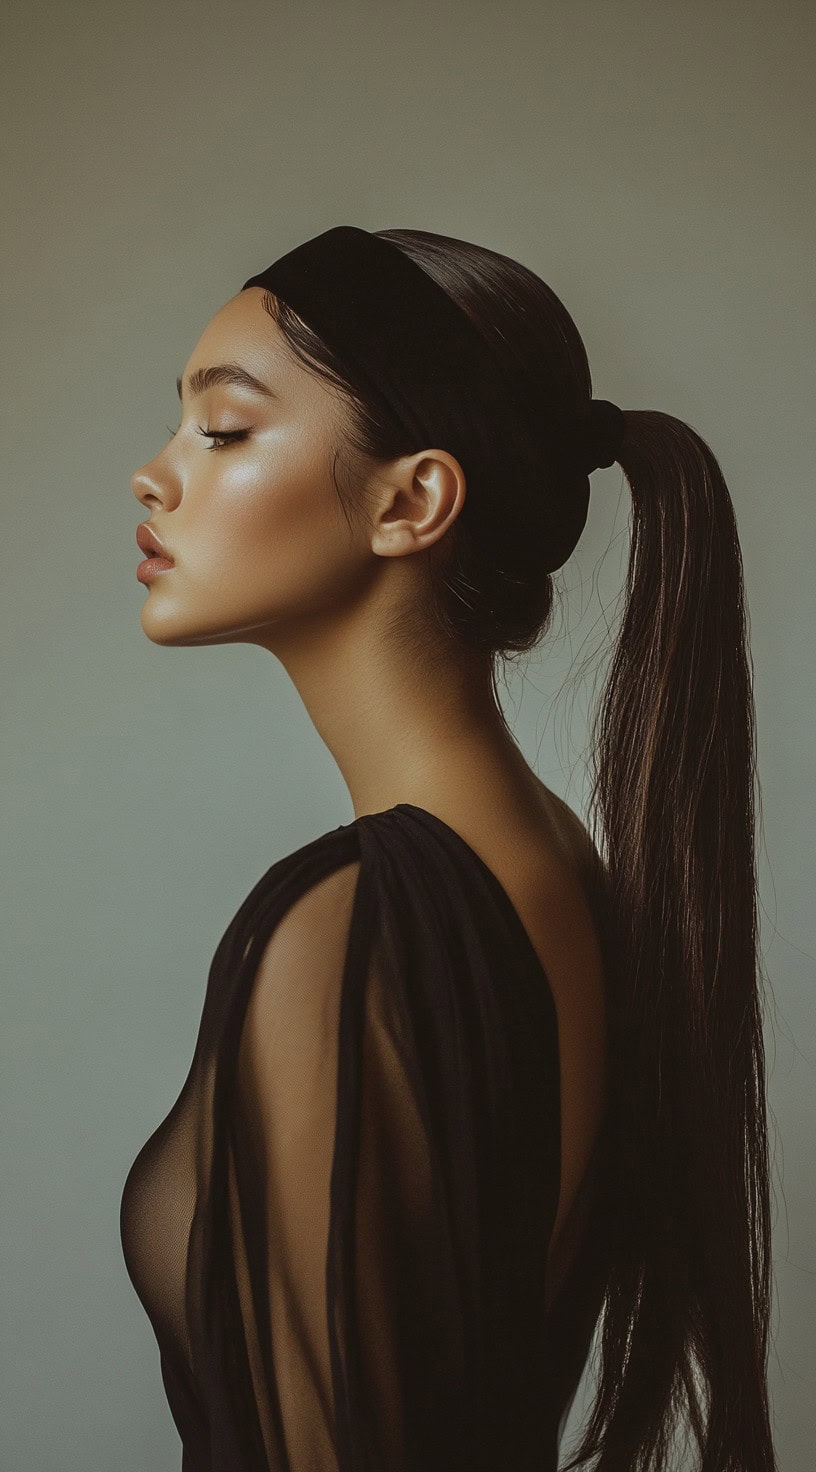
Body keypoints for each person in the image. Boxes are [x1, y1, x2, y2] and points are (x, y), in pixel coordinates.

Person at [120, 225, 777, 1471]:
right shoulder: (555, 860)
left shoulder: (340, 928)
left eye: (223, 429)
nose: (154, 477)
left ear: (412, 499)